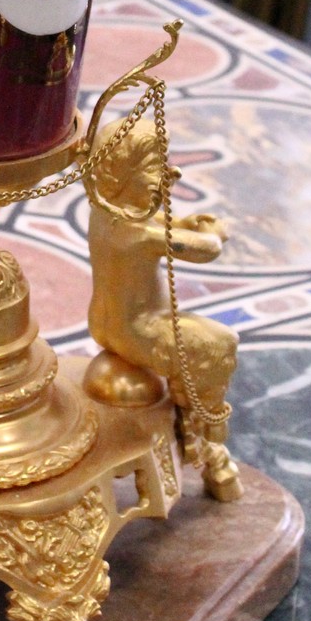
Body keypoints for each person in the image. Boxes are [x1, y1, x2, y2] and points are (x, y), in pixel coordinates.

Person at [85, 115, 241, 501]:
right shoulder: (137, 233)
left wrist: (188, 220)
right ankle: (209, 441)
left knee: (200, 343)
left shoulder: (110, 212)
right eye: (156, 167)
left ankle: (199, 432)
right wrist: (214, 232)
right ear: (121, 175)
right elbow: (205, 250)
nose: (170, 174)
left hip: (107, 324)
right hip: (136, 330)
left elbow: (165, 223)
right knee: (219, 343)